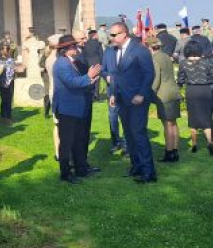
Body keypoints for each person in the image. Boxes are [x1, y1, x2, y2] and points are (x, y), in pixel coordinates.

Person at [109, 22, 156, 183]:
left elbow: (149, 73)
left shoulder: (139, 50)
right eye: (111, 35)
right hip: (122, 99)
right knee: (129, 134)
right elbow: (117, 75)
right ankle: (136, 166)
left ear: (124, 34)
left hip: (137, 100)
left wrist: (141, 94)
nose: (111, 38)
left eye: (114, 35)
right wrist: (114, 93)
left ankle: (148, 172)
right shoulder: (115, 50)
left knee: (138, 133)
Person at [52, 34, 102, 184]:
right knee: (67, 143)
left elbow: (77, 82)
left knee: (79, 140)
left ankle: (81, 168)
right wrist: (88, 77)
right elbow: (71, 82)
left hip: (77, 107)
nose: (76, 48)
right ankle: (65, 173)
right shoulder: (62, 64)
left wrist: (90, 79)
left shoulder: (71, 61)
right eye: (73, 46)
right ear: (66, 49)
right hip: (67, 109)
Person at [178, 40, 213, 155]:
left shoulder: (183, 63)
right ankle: (210, 143)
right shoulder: (206, 62)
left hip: (191, 91)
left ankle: (194, 145)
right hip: (205, 90)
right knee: (207, 117)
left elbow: (181, 79)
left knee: (192, 118)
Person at [147, 36, 181, 162]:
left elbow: (156, 79)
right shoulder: (166, 56)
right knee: (173, 123)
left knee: (167, 124)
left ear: (149, 47)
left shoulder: (155, 59)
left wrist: (149, 93)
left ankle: (168, 153)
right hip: (174, 92)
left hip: (164, 95)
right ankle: (175, 152)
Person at [0, 41, 17, 124]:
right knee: (3, 100)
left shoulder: (11, 59)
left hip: (10, 82)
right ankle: (3, 116)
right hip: (2, 82)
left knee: (9, 100)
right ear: (1, 50)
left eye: (7, 49)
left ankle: (8, 117)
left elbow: (13, 71)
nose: (6, 51)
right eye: (4, 49)